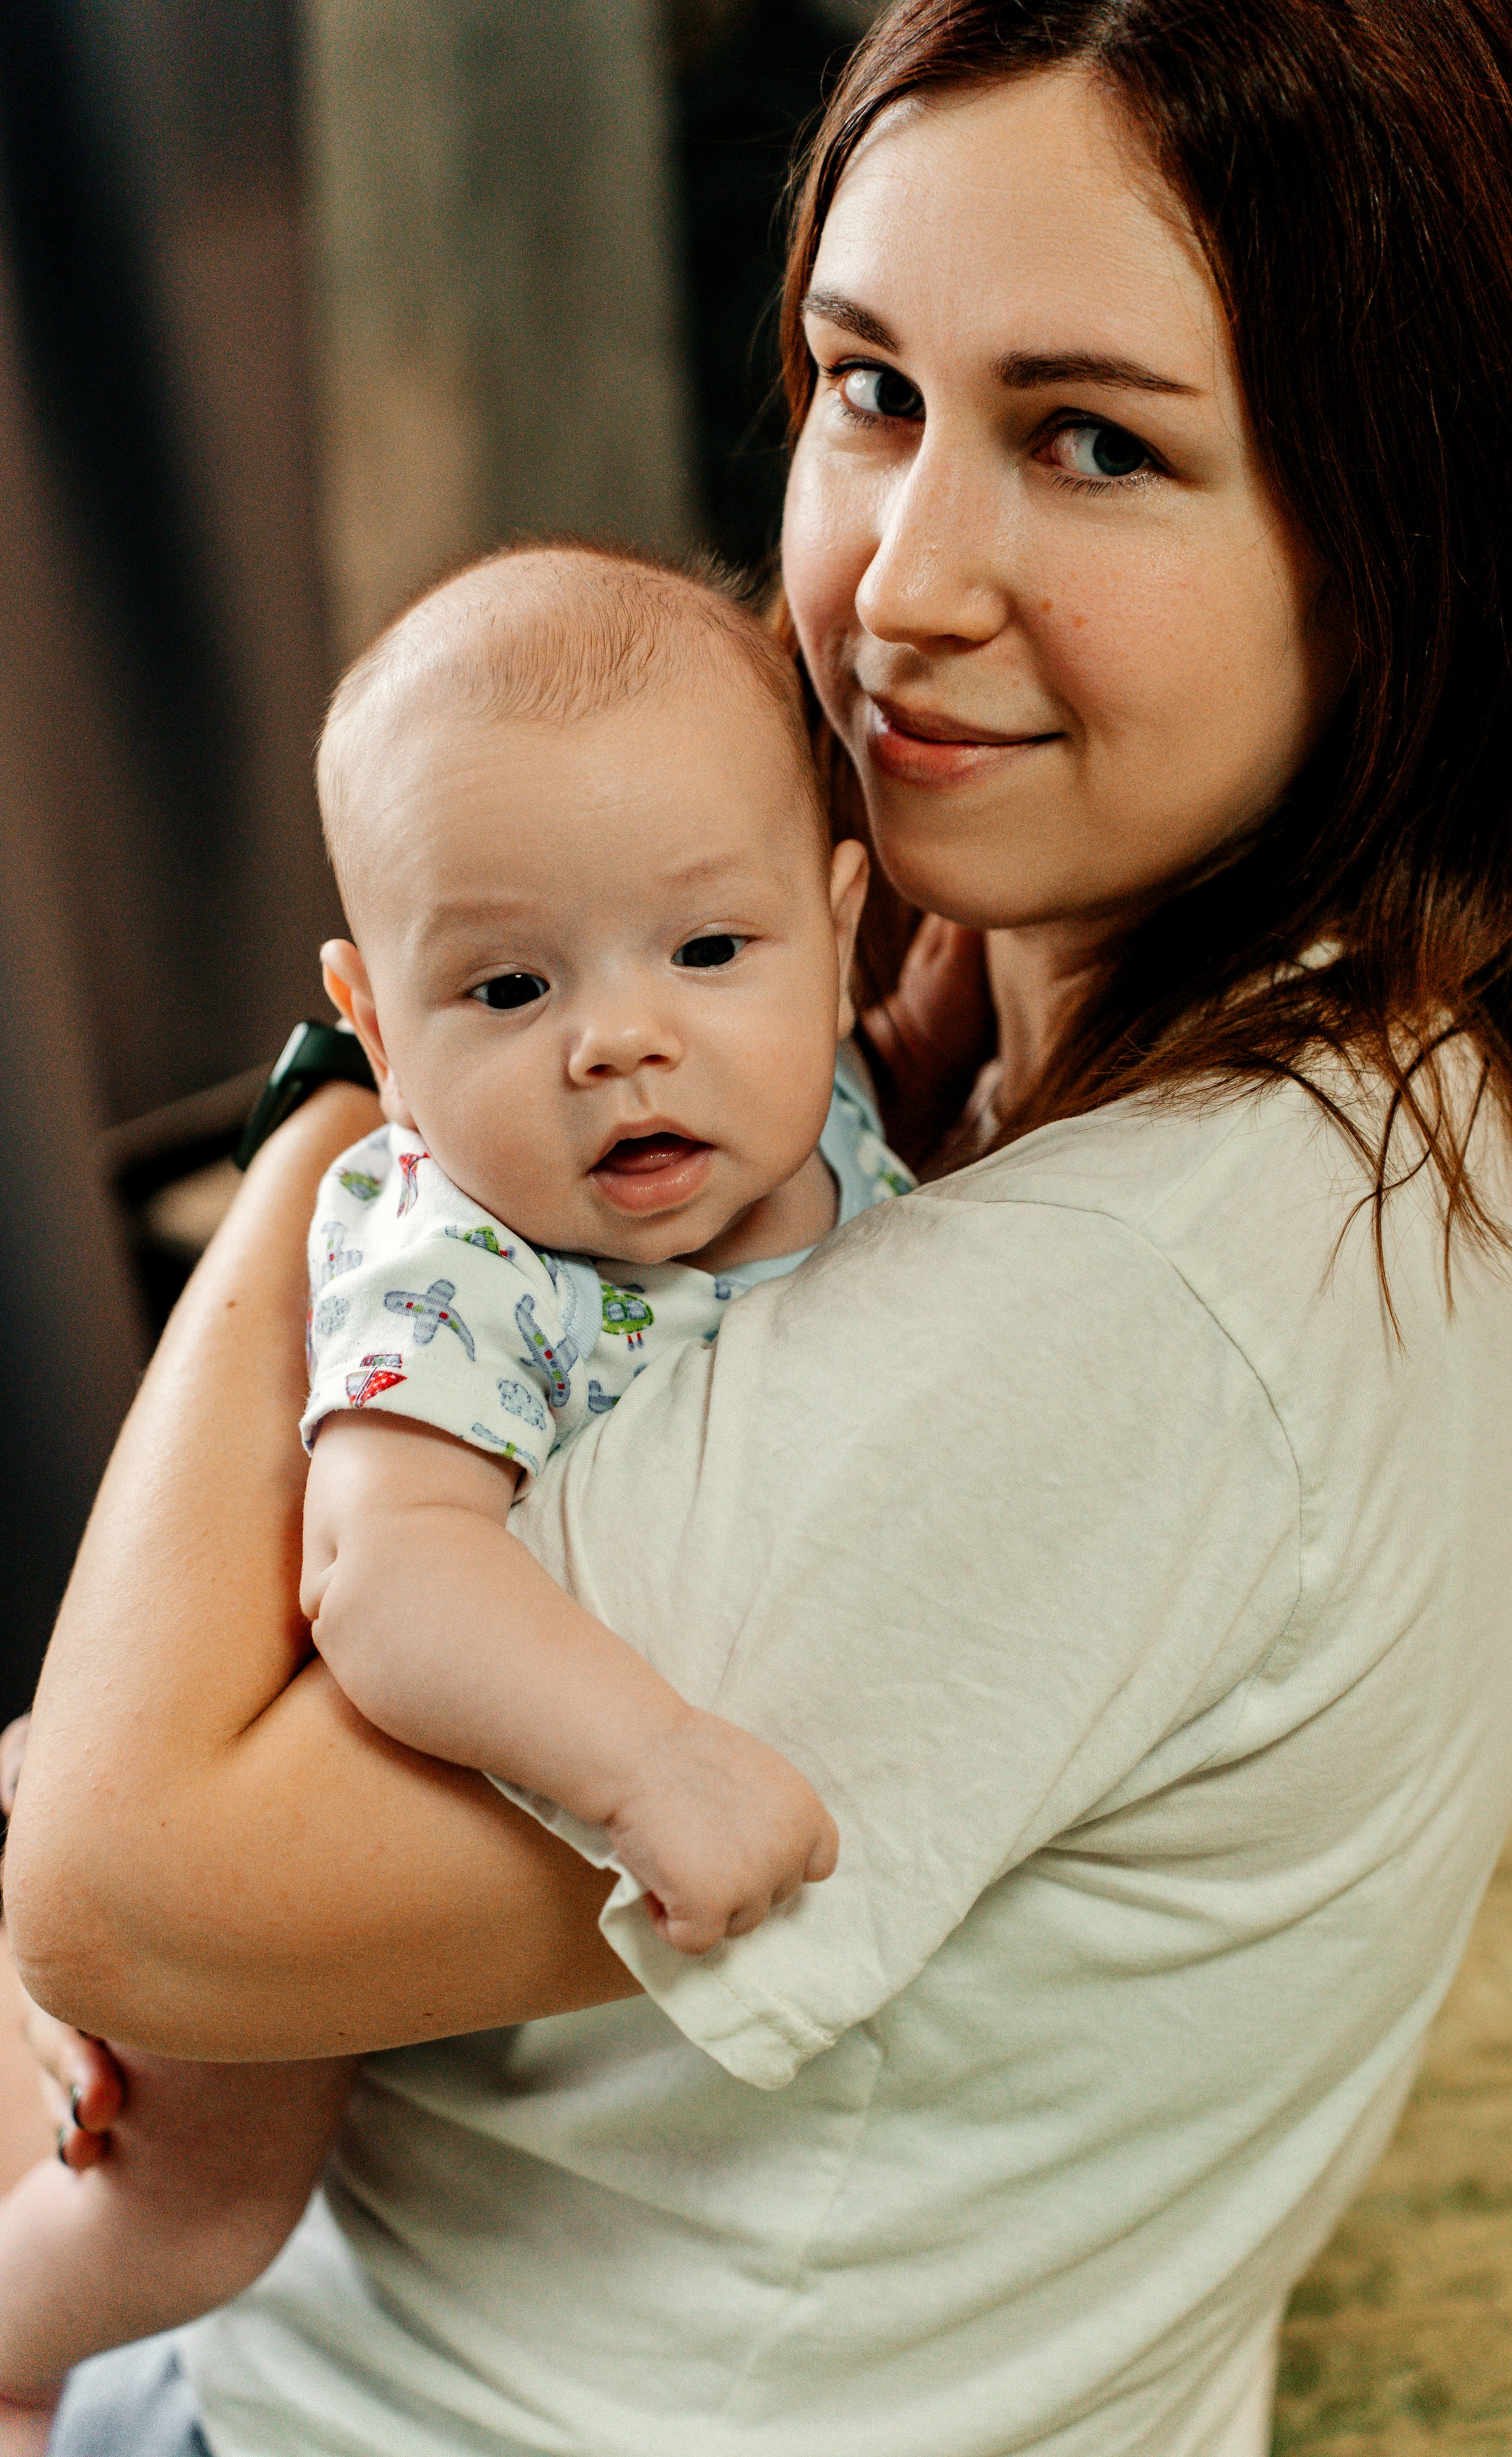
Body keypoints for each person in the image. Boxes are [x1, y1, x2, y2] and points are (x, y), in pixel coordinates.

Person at [8, 1, 1512, 2451]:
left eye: (1094, 444)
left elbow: (120, 1892)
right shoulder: (998, 1038)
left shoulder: (1147, 1303)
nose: (904, 587)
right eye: (871, 391)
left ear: (1404, 526)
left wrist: (347, 1131)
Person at [0, 539, 932, 2405]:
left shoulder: (817, 1105)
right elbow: (389, 1578)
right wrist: (645, 1761)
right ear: (372, 1024)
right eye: (506, 990)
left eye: (708, 947)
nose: (621, 1037)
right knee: (187, 2217)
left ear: (842, 932)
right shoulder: (467, 1266)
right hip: (272, 1769)